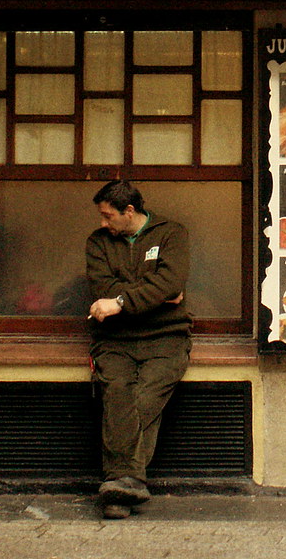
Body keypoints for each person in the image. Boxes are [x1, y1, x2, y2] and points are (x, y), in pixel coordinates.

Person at [86, 180, 192, 519]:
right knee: (117, 392)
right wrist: (156, 296)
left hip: (167, 336)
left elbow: (171, 281)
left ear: (129, 211)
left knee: (145, 397)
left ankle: (118, 486)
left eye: (108, 216)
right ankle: (127, 485)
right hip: (114, 340)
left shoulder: (172, 234)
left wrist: (120, 301)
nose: (104, 224)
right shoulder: (97, 243)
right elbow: (104, 285)